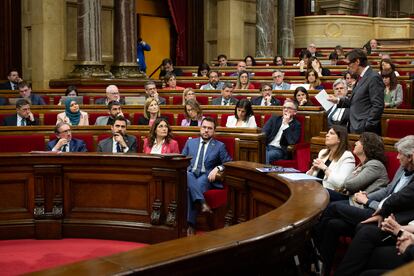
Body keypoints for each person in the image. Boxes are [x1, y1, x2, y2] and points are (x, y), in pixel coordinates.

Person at [314, 135, 414, 276]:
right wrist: (367, 197)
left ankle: (314, 250)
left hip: (387, 215)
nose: (397, 157)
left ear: (410, 157)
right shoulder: (402, 169)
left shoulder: (375, 165)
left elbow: (348, 185)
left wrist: (367, 202)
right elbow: (388, 190)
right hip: (376, 208)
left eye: (400, 154)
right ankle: (323, 266)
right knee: (333, 224)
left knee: (333, 207)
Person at [182, 117, 232, 235]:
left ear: (214, 131)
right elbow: (181, 159)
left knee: (191, 188)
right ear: (200, 128)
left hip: (206, 177)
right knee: (188, 175)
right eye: (204, 127)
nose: (206, 130)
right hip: (189, 174)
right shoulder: (190, 142)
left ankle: (191, 224)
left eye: (209, 128)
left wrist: (218, 168)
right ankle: (203, 203)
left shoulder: (219, 146)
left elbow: (229, 162)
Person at [328, 48, 384, 135]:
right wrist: (338, 100)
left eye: (349, 63)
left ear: (357, 62)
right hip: (355, 127)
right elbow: (355, 101)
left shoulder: (373, 77)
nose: (348, 67)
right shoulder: (360, 77)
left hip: (364, 130)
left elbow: (378, 105)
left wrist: (367, 126)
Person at [326, 132, 389, 202]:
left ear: (367, 146)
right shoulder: (361, 164)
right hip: (351, 198)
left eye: (359, 141)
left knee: (327, 197)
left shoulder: (375, 165)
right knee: (324, 192)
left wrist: (353, 175)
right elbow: (346, 184)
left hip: (360, 204)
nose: (355, 143)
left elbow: (350, 185)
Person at [306, 125, 355, 191]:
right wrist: (312, 169)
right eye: (328, 133)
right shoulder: (323, 153)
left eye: (331, 133)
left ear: (339, 139)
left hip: (331, 192)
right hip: (316, 188)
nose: (327, 135)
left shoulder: (347, 157)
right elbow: (310, 178)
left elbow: (341, 183)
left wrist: (324, 168)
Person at [262, 99, 301, 164]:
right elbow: (263, 133)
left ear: (295, 112)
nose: (285, 110)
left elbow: (292, 141)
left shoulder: (296, 125)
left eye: (289, 108)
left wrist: (286, 124)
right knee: (257, 152)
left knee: (266, 155)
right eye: (284, 107)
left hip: (279, 150)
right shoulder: (274, 119)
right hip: (266, 146)